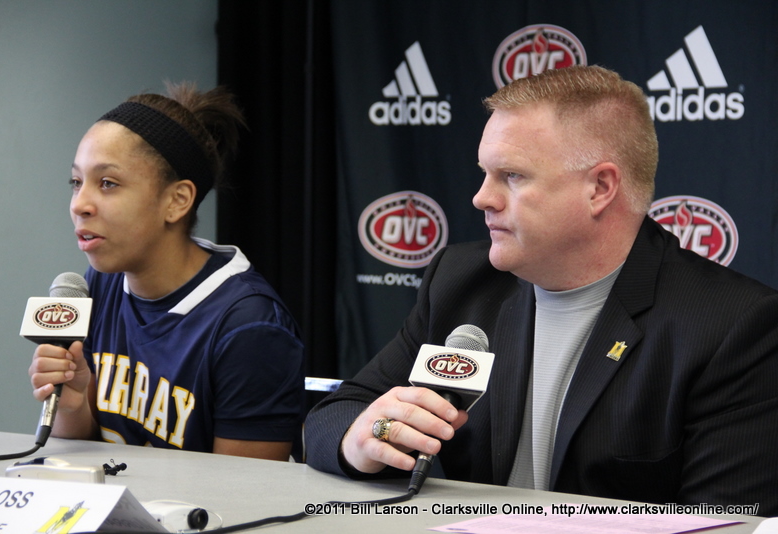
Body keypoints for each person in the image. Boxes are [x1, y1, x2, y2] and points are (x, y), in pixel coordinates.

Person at [304, 65, 778, 513]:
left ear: (600, 188)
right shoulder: (461, 282)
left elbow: (727, 519)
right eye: (484, 173)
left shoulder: (733, 326)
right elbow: (334, 416)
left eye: (511, 175)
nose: (481, 198)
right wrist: (364, 437)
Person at [29, 82, 305, 460]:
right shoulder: (101, 283)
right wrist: (72, 404)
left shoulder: (250, 326)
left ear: (177, 201)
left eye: (107, 183)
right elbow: (82, 449)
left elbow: (247, 489)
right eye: (76, 182)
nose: (80, 204)